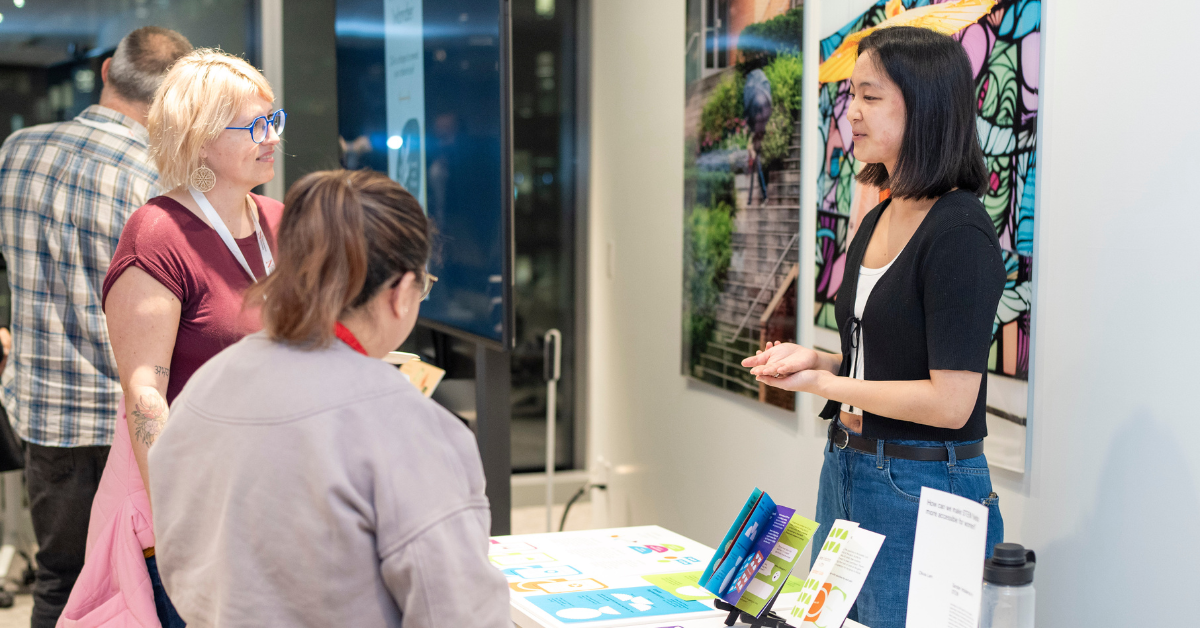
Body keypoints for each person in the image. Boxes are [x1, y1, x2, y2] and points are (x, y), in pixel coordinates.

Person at [148, 169, 510, 627]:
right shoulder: (411, 429)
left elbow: (178, 559)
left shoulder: (203, 390)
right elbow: (459, 614)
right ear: (400, 293)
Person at [745, 26, 1006, 628]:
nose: (851, 112)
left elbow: (949, 401)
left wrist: (828, 388)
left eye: (871, 96)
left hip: (923, 487)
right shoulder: (882, 213)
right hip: (847, 469)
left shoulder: (959, 232)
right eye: (851, 94)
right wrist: (821, 362)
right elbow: (885, 361)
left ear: (925, 106)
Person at [59, 48, 284, 627]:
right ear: (200, 139)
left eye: (274, 120)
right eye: (255, 126)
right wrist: (180, 526)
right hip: (200, 507)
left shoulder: (281, 222)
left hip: (277, 499)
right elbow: (145, 395)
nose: (271, 137)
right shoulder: (158, 232)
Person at [0, 26, 192, 628]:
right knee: (144, 587)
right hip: (130, 422)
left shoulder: (15, 151)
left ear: (107, 70)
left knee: (60, 582)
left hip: (44, 413)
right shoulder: (163, 181)